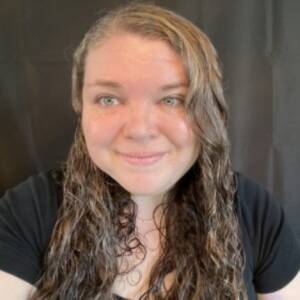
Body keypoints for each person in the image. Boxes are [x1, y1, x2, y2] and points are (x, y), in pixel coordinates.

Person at [0, 3, 299, 300]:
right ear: (80, 107)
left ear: (210, 109)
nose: (140, 130)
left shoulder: (255, 213)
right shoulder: (28, 212)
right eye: (108, 99)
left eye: (172, 99)